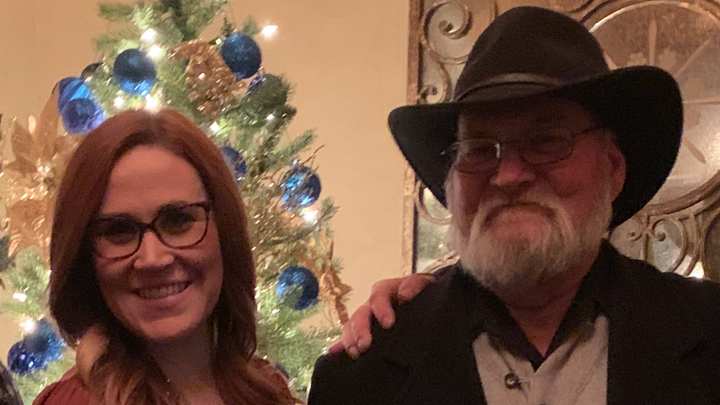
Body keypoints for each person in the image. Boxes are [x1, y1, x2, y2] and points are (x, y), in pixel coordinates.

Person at [309, 6, 720, 405]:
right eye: (479, 149)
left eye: (546, 141)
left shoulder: (710, 336)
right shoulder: (358, 381)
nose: (508, 176)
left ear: (612, 168)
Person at [34, 109, 296, 405]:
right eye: (118, 230)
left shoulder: (266, 388)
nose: (153, 259)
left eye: (178, 220)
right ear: (84, 257)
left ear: (225, 230)